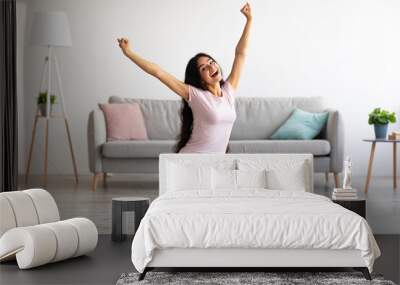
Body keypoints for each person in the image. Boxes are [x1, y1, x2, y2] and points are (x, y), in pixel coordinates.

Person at [117, 2, 252, 154]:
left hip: (215, 162)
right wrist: (129, 53)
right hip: (191, 160)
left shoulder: (228, 91)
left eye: (211, 62)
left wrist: (249, 21)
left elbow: (240, 54)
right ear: (200, 78)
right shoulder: (196, 95)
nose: (211, 67)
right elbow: (158, 72)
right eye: (203, 68)